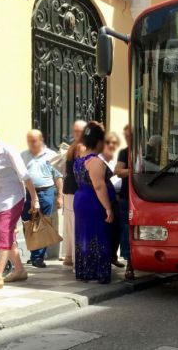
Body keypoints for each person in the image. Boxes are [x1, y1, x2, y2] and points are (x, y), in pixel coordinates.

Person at [0, 122, 40, 290]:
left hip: (12, 199)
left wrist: (34, 199)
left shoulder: (8, 151)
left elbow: (25, 177)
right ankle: (19, 270)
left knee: (3, 234)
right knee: (4, 235)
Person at [73, 122, 115, 284]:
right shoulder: (95, 161)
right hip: (93, 202)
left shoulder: (79, 159)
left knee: (84, 235)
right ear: (98, 142)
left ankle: (85, 271)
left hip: (81, 199)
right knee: (99, 235)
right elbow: (99, 186)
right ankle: (98, 272)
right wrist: (108, 208)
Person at [20, 130, 63, 268]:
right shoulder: (23, 155)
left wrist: (60, 196)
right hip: (27, 193)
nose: (31, 143)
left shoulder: (51, 155)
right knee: (28, 223)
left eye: (33, 140)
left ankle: (38, 257)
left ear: (40, 140)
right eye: (29, 140)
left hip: (46, 192)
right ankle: (34, 254)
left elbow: (58, 176)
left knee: (43, 224)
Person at [62, 120, 87, 266]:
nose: (76, 133)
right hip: (75, 190)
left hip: (70, 190)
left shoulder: (75, 146)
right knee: (73, 224)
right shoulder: (79, 147)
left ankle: (70, 256)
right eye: (75, 131)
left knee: (71, 224)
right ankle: (73, 257)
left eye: (79, 131)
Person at [100, 131, 123, 268]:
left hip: (117, 197)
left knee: (116, 230)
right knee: (106, 230)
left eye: (114, 143)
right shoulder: (98, 159)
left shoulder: (115, 159)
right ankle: (105, 258)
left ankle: (113, 257)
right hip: (104, 199)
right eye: (108, 142)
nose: (111, 145)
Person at [114, 125, 134, 280]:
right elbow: (118, 171)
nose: (127, 139)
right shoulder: (124, 152)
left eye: (130, 135)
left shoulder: (148, 151)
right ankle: (129, 263)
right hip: (127, 197)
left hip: (145, 195)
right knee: (126, 230)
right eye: (125, 136)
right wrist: (135, 170)